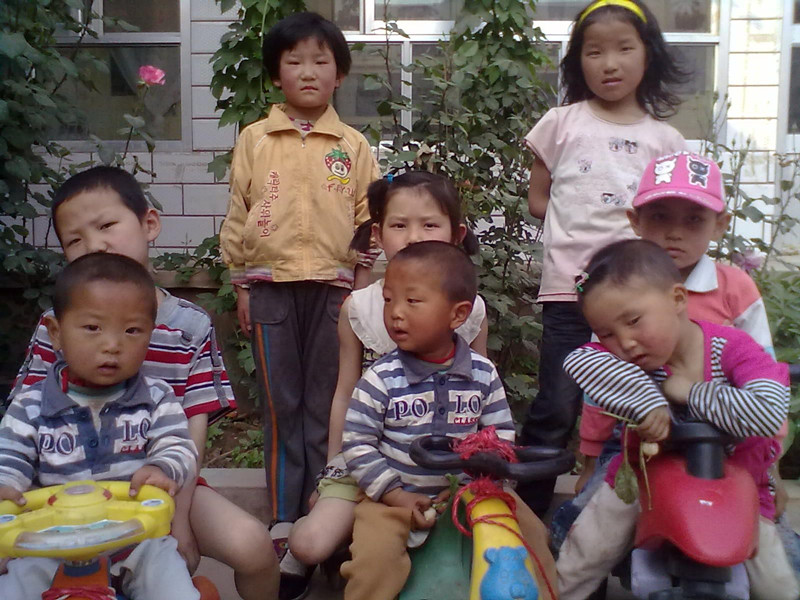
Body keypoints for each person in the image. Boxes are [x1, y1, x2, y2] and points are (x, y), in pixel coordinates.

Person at [10, 166, 279, 600]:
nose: (94, 245)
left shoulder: (188, 326)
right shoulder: (56, 326)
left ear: (149, 224)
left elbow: (192, 430)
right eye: (75, 240)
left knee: (253, 546)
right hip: (64, 492)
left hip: (159, 482)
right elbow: (22, 422)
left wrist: (180, 519)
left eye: (106, 226)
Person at [219, 15, 380, 565]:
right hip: (270, 287)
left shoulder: (352, 144)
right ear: (276, 74)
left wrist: (361, 289)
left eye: (320, 61)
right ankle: (284, 514)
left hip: (335, 291)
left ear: (339, 74)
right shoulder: (255, 139)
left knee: (327, 401)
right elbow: (238, 211)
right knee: (282, 402)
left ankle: (322, 507)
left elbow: (368, 220)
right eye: (294, 61)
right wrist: (242, 285)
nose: (308, 72)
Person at [517, 0, 688, 516]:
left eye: (624, 49)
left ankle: (640, 516)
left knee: (645, 403)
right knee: (557, 404)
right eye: (594, 52)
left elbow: (674, 218)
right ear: (577, 62)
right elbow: (538, 200)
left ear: (648, 55)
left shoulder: (666, 140)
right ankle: (526, 517)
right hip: (569, 292)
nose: (609, 64)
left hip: (639, 300)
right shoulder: (560, 123)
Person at [283, 172, 489, 596]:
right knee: (310, 543)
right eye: (399, 225)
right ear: (377, 234)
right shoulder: (359, 308)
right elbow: (345, 391)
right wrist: (335, 464)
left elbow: (484, 393)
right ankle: (310, 548)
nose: (413, 237)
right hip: (367, 454)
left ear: (456, 234)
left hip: (442, 466)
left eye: (429, 224)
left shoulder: (469, 310)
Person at [555, 239, 796, 600]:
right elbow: (579, 361)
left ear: (678, 299)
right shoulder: (628, 360)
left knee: (776, 585)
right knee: (582, 558)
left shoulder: (733, 349)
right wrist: (648, 403)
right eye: (607, 334)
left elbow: (767, 411)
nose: (625, 343)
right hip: (644, 478)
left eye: (633, 321)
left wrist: (688, 391)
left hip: (738, 482)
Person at [339, 241, 557, 600]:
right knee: (374, 560)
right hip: (394, 498)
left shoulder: (482, 375)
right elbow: (357, 443)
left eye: (412, 301)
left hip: (472, 492)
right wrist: (395, 495)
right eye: (389, 300)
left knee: (531, 538)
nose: (395, 313)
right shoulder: (382, 378)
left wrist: (485, 479)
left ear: (457, 315)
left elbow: (500, 436)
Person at [0, 253, 199, 600]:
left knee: (174, 587)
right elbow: (10, 458)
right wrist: (5, 485)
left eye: (132, 330)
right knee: (14, 587)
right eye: (92, 328)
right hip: (51, 542)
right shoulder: (31, 406)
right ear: (56, 333)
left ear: (150, 335)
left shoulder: (156, 398)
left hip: (137, 540)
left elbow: (178, 446)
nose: (112, 345)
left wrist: (162, 468)